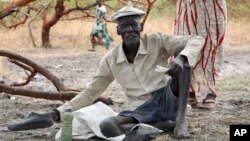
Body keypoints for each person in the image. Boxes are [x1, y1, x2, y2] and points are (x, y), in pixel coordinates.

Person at [7, 2, 204, 140]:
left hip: (168, 97)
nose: (129, 30)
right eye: (124, 27)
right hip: (142, 110)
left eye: (133, 25)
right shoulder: (110, 60)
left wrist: (181, 57)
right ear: (117, 31)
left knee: (183, 53)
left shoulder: (156, 41)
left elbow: (196, 39)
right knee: (107, 126)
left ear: (140, 26)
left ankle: (179, 121)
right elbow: (91, 92)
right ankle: (161, 126)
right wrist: (56, 114)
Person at [174, 0, 227, 109]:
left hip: (213, 4)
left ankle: (210, 91)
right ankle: (189, 90)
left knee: (212, 41)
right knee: (186, 38)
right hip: (188, 3)